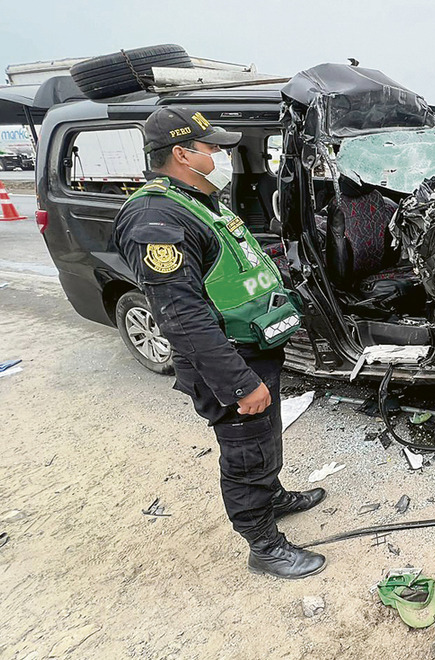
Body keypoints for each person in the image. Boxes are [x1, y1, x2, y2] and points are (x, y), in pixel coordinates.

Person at [112, 107, 328, 579]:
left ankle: (272, 497)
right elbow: (181, 316)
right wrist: (237, 383)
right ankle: (263, 545)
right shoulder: (156, 219)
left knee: (265, 434)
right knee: (245, 449)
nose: (220, 156)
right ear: (181, 154)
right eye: (212, 148)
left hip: (251, 347)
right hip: (224, 361)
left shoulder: (198, 199)